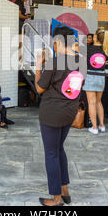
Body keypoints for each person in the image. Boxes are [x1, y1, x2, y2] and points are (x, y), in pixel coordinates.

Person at [35, 26, 83, 206]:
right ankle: (64, 189)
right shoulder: (81, 61)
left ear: (59, 42)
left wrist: (40, 65)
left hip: (52, 113)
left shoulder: (54, 63)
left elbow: (39, 88)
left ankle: (56, 198)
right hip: (70, 111)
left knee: (51, 154)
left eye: (54, 43)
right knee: (59, 148)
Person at [83, 28, 108, 134]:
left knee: (91, 103)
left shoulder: (88, 49)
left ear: (95, 37)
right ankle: (102, 125)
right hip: (101, 77)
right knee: (99, 102)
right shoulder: (105, 50)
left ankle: (94, 127)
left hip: (90, 75)